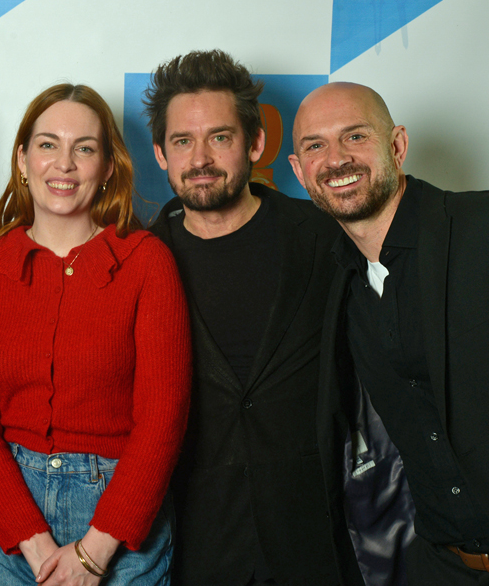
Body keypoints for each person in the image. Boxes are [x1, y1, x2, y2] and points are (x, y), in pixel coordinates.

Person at [143, 50, 384, 585]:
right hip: (194, 545)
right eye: (182, 141)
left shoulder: (324, 236)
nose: (200, 158)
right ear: (160, 153)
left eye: (220, 137)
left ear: (255, 143)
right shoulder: (137, 260)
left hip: (318, 539)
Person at [0, 83, 191, 585]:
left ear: (107, 167)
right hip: (13, 516)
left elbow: (163, 417)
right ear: (23, 160)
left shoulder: (147, 263)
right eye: (48, 144)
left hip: (120, 518)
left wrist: (94, 552)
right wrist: (33, 543)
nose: (64, 163)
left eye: (84, 148)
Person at [289, 82, 489, 585]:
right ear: (298, 170)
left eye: (355, 136)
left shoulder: (479, 226)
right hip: (444, 566)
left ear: (396, 146)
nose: (336, 159)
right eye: (315, 145)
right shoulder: (338, 286)